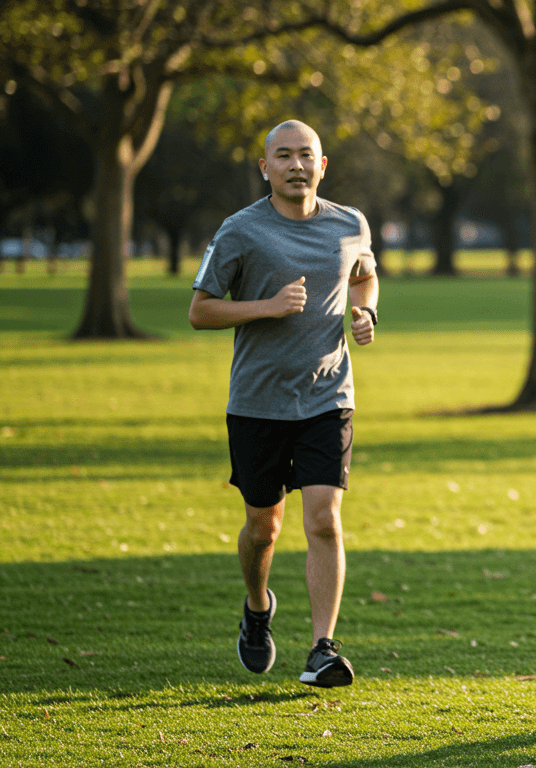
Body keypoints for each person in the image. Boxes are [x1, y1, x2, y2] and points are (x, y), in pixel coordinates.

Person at [189, 120, 379, 688]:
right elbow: (200, 310)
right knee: (263, 529)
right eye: (284, 156)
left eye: (306, 156)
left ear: (323, 165)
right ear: (265, 167)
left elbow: (365, 276)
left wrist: (367, 311)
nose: (296, 165)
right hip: (257, 403)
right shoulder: (240, 231)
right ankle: (256, 606)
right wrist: (266, 307)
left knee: (323, 519)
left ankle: (322, 648)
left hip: (328, 395)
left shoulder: (350, 224)